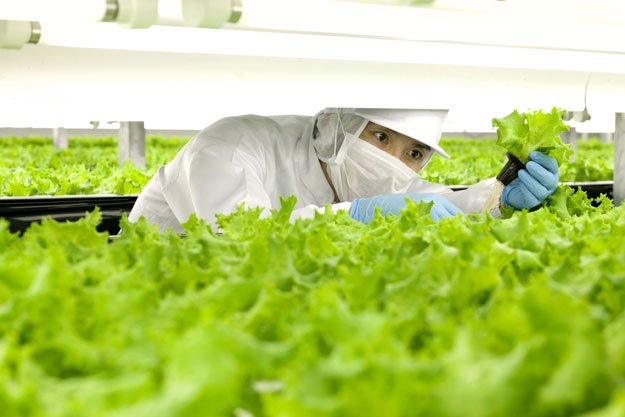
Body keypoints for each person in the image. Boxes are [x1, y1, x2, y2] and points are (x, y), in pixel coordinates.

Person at [128, 108, 559, 233]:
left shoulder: (381, 176)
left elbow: (426, 201)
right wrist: (354, 215)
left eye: (415, 154)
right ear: (338, 130)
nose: (395, 160)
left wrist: (496, 198)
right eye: (382, 139)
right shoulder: (234, 144)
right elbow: (236, 234)